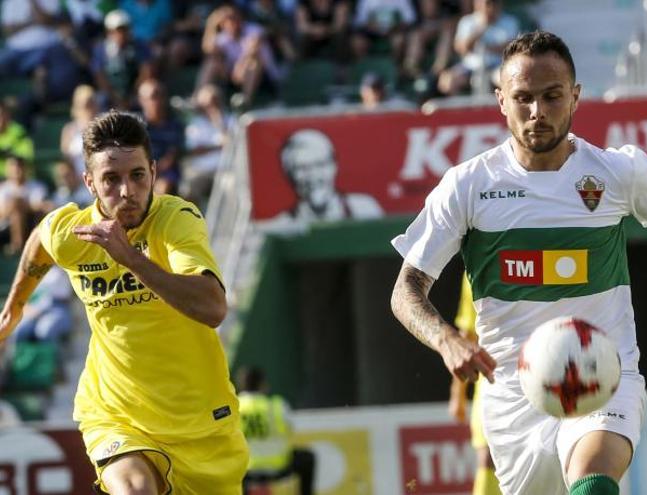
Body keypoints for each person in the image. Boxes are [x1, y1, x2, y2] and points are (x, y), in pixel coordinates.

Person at [390, 31, 647, 495]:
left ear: (576, 97)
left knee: (594, 483)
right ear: (501, 100)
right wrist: (445, 339)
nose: (537, 112)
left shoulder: (617, 171)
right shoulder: (467, 186)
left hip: (604, 371)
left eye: (552, 96)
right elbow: (406, 289)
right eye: (523, 98)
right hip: (514, 395)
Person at [0, 111, 248, 493]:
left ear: (152, 171)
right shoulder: (75, 233)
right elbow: (40, 241)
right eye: (111, 180)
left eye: (137, 176)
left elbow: (213, 308)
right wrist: (15, 305)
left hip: (199, 422)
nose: (127, 191)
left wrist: (129, 257)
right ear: (90, 183)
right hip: (116, 412)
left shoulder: (177, 221)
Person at [265, 128, 383, 231]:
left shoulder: (365, 209)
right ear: (289, 174)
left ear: (334, 166)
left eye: (320, 164)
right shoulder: (280, 225)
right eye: (302, 168)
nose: (313, 175)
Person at [448, 275, 502, 495]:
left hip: (542, 377)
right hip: (494, 380)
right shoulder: (475, 268)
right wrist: (457, 394)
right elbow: (467, 335)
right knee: (488, 456)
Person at [237, 366, 316, 495]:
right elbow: (291, 428)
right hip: (278, 466)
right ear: (263, 385)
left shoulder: (235, 408)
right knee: (308, 458)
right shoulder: (277, 405)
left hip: (246, 470)